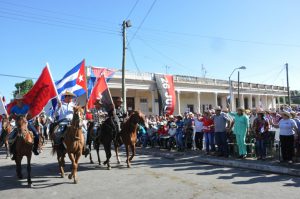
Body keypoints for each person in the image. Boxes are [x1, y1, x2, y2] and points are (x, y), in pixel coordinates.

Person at [55, 91, 89, 156]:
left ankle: (84, 147)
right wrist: (59, 107)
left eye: (71, 97)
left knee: (84, 131)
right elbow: (56, 114)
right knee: (57, 133)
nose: (71, 98)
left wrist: (81, 108)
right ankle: (59, 147)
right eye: (70, 97)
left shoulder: (74, 104)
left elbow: (80, 113)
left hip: (73, 122)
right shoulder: (60, 104)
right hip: (63, 121)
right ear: (66, 97)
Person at [9, 94, 40, 158]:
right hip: (18, 125)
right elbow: (10, 116)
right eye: (18, 100)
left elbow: (30, 115)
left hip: (27, 123)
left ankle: (35, 149)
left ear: (22, 100)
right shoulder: (13, 108)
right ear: (16, 101)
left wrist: (27, 116)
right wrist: (11, 116)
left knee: (37, 135)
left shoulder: (26, 107)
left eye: (20, 100)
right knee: (11, 138)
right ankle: (13, 152)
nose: (19, 101)